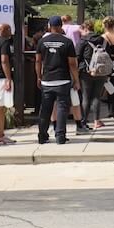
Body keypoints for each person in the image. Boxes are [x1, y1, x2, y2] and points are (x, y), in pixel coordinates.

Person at [36, 16, 79, 145]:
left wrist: (38, 76)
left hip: (47, 80)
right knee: (61, 109)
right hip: (63, 80)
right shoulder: (67, 41)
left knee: (45, 109)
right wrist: (76, 79)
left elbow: (38, 60)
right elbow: (72, 63)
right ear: (61, 27)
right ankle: (60, 137)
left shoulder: (42, 41)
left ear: (49, 26)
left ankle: (42, 136)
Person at [77, 20, 108, 130]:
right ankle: (96, 121)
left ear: (85, 29)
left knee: (86, 97)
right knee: (96, 96)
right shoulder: (103, 39)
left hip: (86, 71)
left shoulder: (83, 40)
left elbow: (77, 56)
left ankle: (84, 121)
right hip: (100, 71)